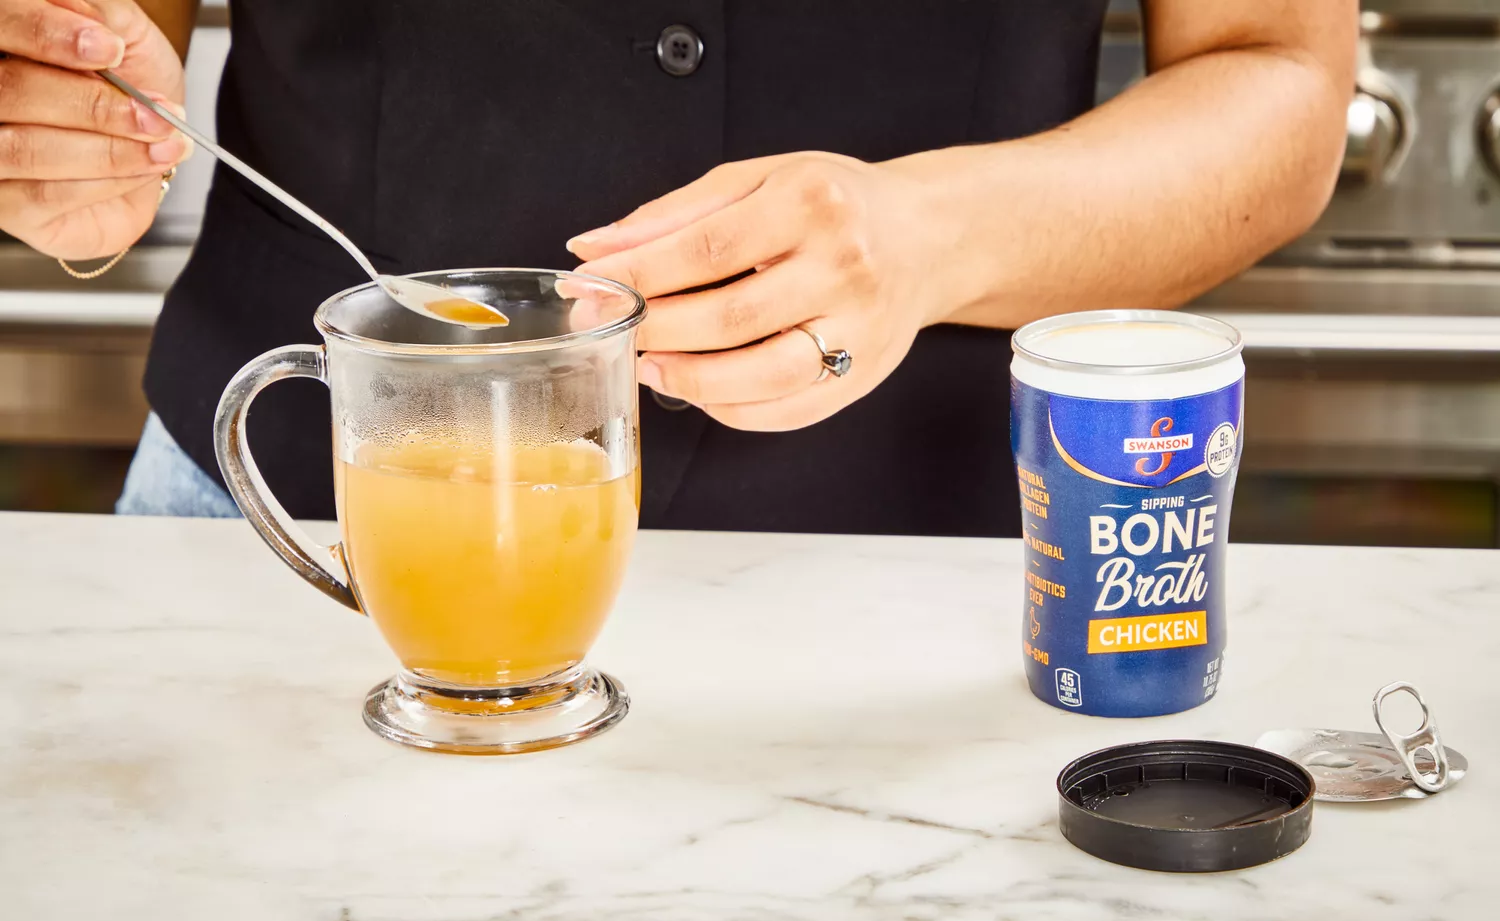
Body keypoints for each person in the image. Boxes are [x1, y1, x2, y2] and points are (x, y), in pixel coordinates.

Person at [0, 0, 1356, 536]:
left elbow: (1277, 82)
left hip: (930, 582)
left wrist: (930, 234)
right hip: (287, 536)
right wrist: (69, 114)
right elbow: (90, 26)